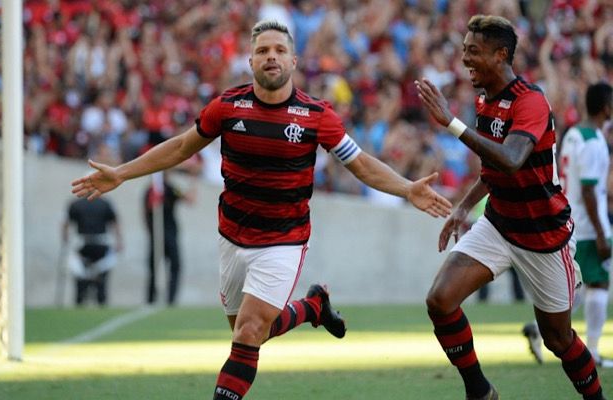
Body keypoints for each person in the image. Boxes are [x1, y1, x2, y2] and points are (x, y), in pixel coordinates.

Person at [71, 20, 452, 400]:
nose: (272, 57)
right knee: (254, 330)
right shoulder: (227, 107)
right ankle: (312, 307)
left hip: (283, 240)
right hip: (232, 237)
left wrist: (406, 188)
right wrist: (121, 173)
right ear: (250, 61)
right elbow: (180, 148)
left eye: (280, 50)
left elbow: (361, 163)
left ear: (294, 61)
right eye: (263, 51)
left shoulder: (316, 115)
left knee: (250, 330)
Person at [416, 15, 605, 400]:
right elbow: (492, 171)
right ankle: (480, 391)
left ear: (501, 55)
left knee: (559, 340)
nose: (465, 59)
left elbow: (512, 158)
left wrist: (451, 123)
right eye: (465, 49)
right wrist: (462, 208)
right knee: (440, 300)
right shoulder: (486, 100)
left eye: (473, 51)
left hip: (543, 236)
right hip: (500, 223)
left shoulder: (530, 101)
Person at [524, 82, 613, 368]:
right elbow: (589, 190)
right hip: (587, 223)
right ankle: (595, 350)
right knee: (598, 281)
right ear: (606, 107)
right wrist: (600, 232)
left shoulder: (574, 133)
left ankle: (540, 329)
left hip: (569, 215)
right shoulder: (592, 140)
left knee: (579, 284)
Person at [144, 171, 195, 305]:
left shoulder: (170, 189)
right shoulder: (152, 191)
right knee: (156, 268)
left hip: (167, 234)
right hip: (158, 234)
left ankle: (168, 300)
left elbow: (189, 199)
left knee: (172, 267)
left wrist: (192, 181)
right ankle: (154, 299)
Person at [62, 196, 123, 306]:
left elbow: (66, 223)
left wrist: (66, 240)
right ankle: (98, 301)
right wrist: (119, 241)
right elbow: (115, 222)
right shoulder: (105, 203)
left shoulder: (76, 204)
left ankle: (82, 301)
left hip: (85, 246)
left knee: (83, 282)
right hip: (97, 246)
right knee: (98, 281)